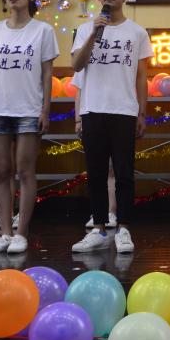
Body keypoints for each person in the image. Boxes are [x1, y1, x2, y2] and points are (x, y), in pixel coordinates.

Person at [0, 0, 59, 254]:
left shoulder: (43, 31)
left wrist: (45, 110)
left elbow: (47, 74)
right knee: (0, 171)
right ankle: (5, 234)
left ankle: (22, 232)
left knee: (24, 171)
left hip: (28, 109)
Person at [69, 0, 152, 254]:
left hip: (125, 110)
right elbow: (77, 66)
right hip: (93, 108)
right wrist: (94, 33)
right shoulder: (85, 29)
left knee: (125, 173)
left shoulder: (137, 32)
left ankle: (124, 229)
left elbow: (141, 76)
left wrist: (142, 113)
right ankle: (99, 229)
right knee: (95, 172)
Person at [71, 73, 117, 230]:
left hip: (116, 116)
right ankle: (99, 214)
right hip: (91, 118)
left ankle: (111, 212)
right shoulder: (83, 64)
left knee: (112, 169)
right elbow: (79, 92)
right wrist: (78, 120)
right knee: (96, 170)